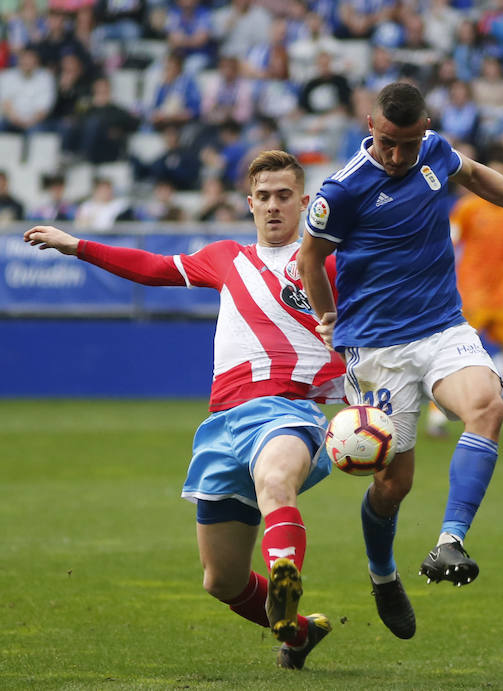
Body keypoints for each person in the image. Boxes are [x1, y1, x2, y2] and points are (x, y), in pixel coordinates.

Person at [24, 150, 345, 671]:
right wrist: (76, 245)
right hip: (224, 425)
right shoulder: (226, 257)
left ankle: (286, 571)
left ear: (305, 203)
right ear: (249, 203)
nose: (273, 206)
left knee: (275, 481)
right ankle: (299, 629)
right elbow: (152, 268)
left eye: (284, 196)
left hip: (290, 412)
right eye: (263, 196)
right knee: (221, 579)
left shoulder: (325, 262)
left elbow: (378, 314)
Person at [297, 82, 503, 640]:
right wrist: (328, 319)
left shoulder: (433, 151)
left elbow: (475, 175)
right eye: (390, 143)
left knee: (487, 409)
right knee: (394, 486)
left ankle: (450, 541)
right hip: (376, 349)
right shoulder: (341, 191)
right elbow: (311, 255)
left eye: (410, 142)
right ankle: (383, 574)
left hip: (443, 328)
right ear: (371, 124)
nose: (399, 155)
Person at [428, 155, 503, 439]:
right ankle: (436, 418)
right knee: (451, 355)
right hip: (472, 296)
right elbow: (450, 242)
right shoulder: (468, 209)